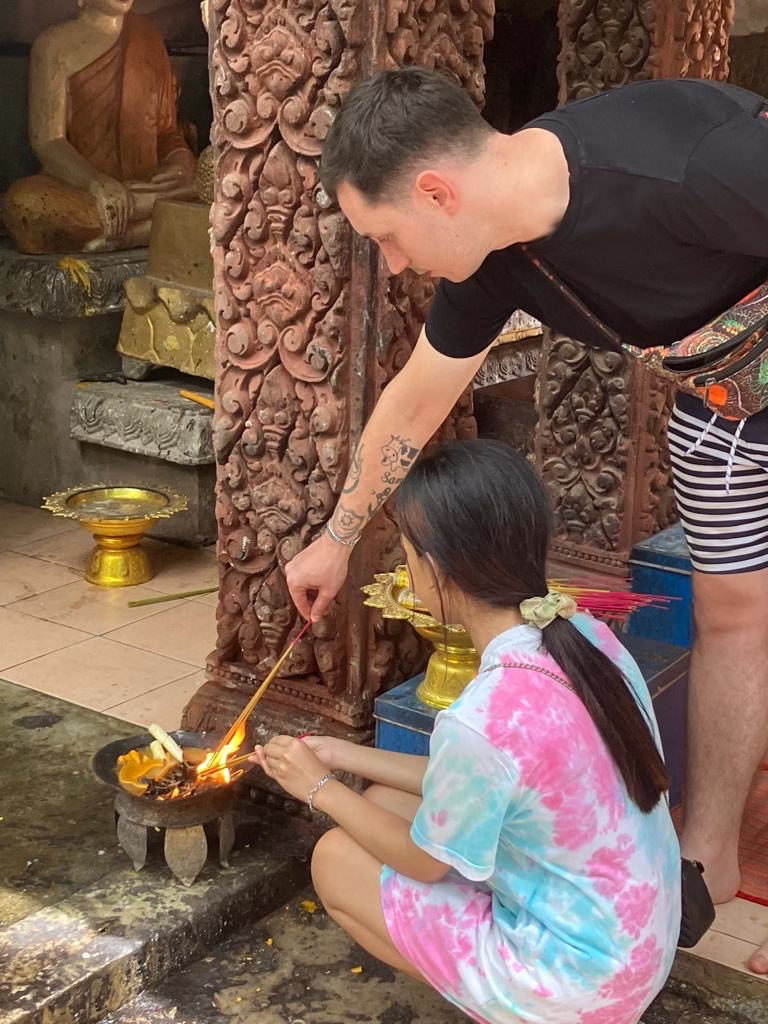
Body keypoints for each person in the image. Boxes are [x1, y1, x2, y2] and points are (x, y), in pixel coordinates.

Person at [284, 67, 768, 972]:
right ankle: (704, 864)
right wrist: (338, 539)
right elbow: (415, 401)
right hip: (719, 398)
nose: (393, 263)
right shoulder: (492, 254)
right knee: (733, 616)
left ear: (436, 192)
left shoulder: (690, 163)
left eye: (387, 237)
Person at [256, 440, 681, 1024]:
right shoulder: (585, 635)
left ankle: (506, 1008)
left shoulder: (487, 714)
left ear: (437, 568)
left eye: (406, 556)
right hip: (635, 944)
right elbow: (480, 779)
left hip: (576, 989)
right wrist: (339, 755)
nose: (405, 571)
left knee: (334, 857)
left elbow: (426, 860)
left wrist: (318, 790)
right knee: (384, 800)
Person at [3, 0, 196, 254]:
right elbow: (48, 142)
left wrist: (179, 163)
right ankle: (153, 225)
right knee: (23, 205)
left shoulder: (148, 39)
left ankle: (132, 228)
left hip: (147, 186)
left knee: (221, 184)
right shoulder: (53, 46)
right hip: (84, 191)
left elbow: (168, 133)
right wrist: (95, 182)